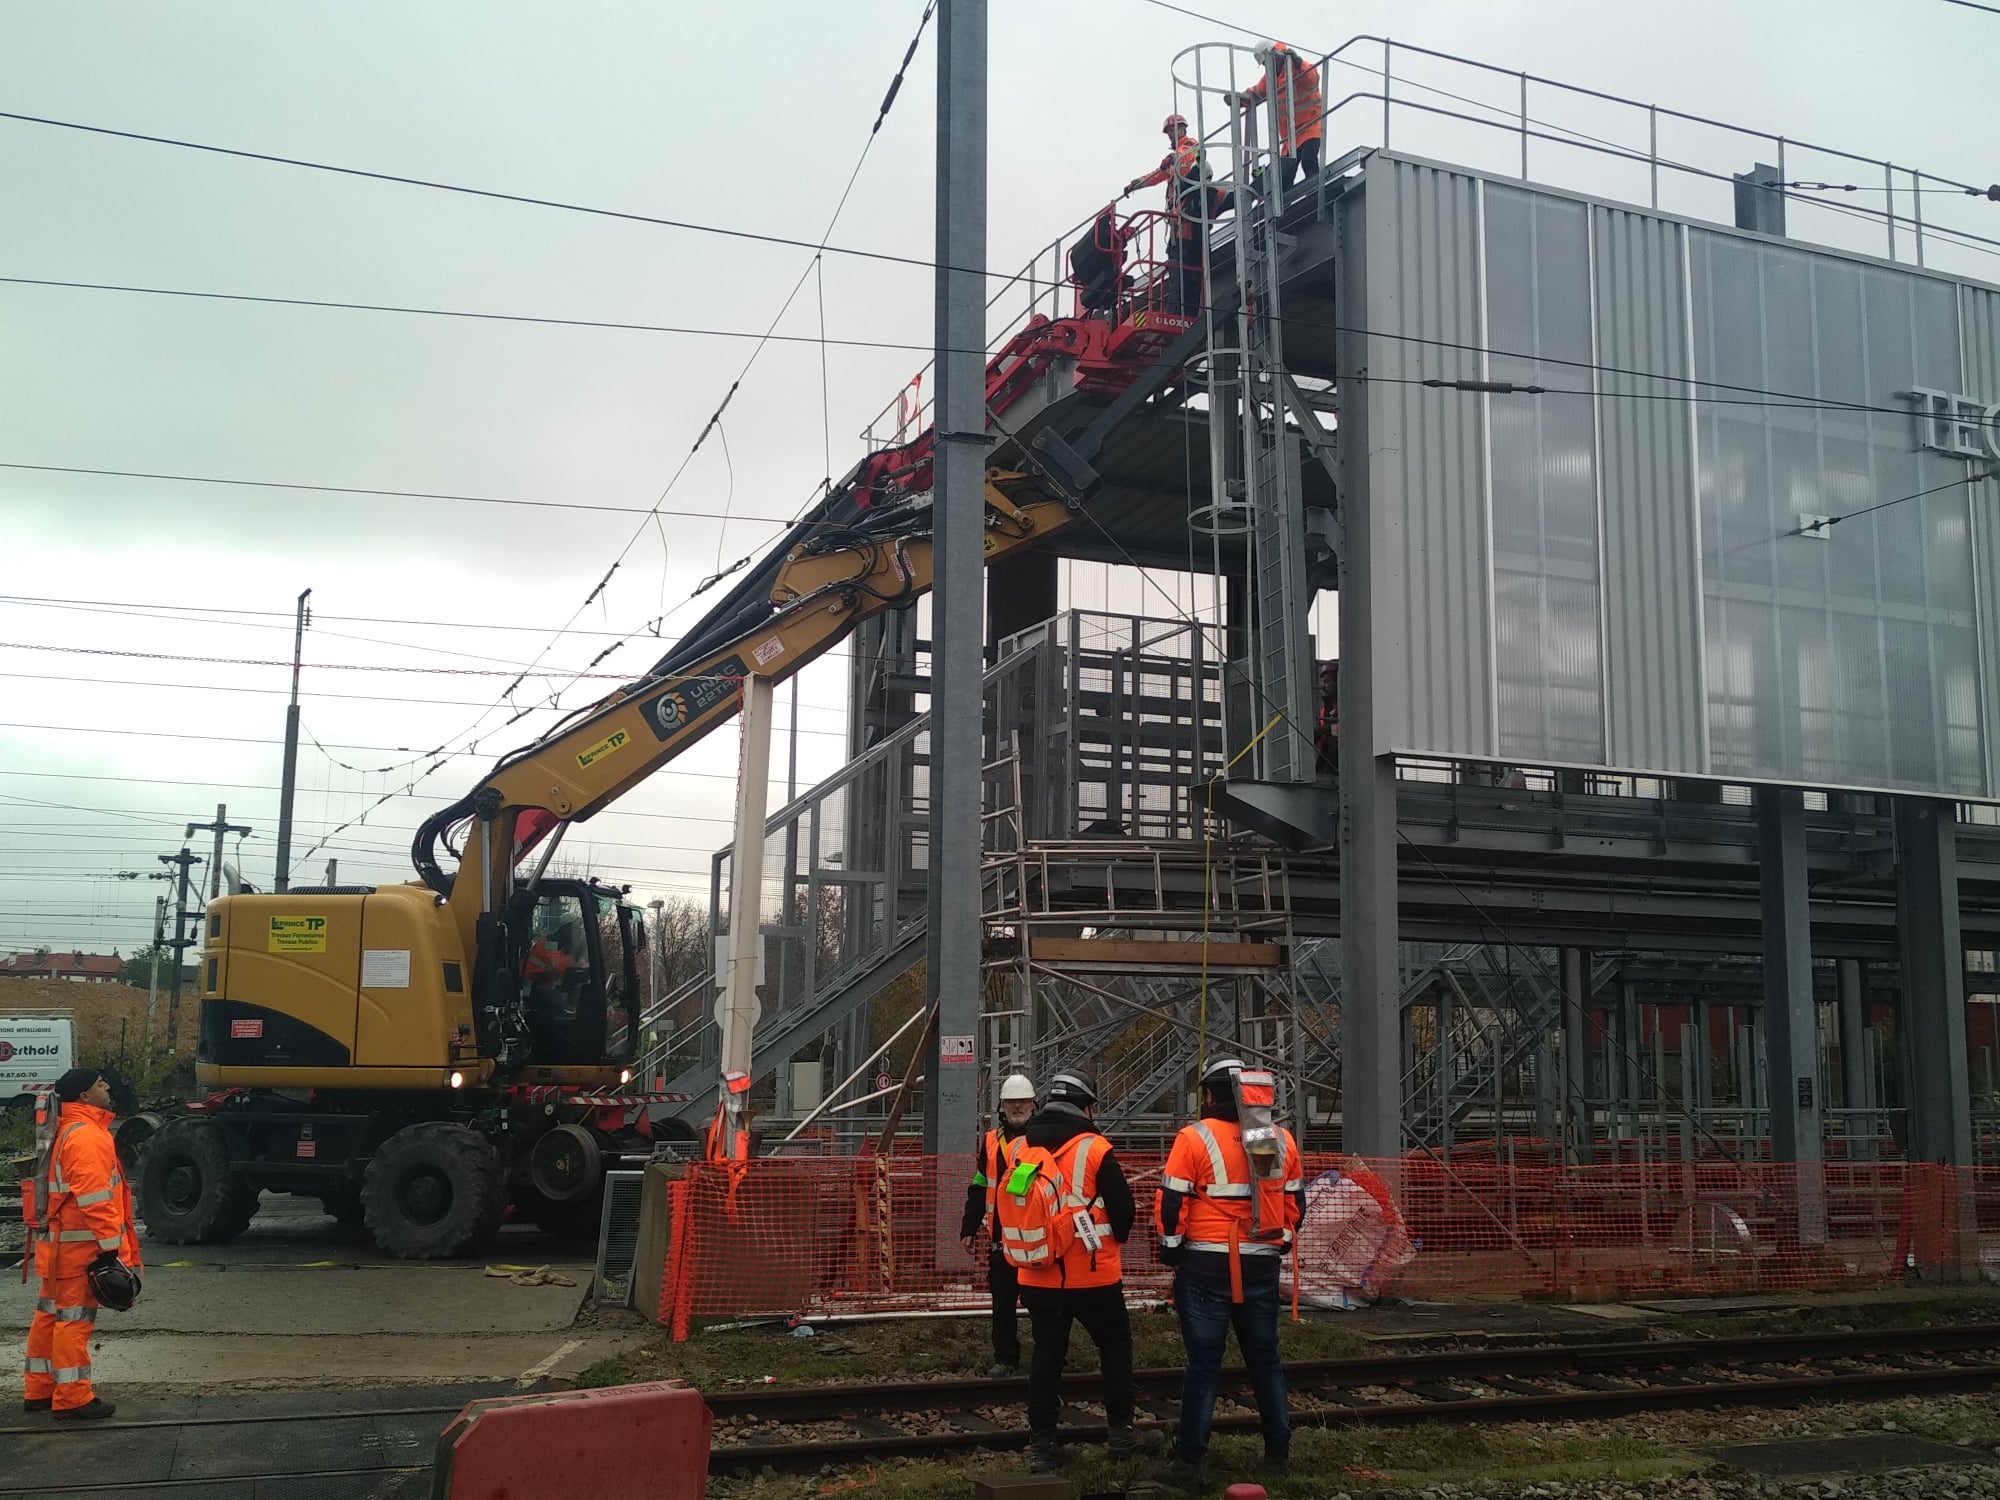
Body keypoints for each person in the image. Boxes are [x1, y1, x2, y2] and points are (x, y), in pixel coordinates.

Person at [1156, 1057, 1305, 1490]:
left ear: (1209, 1094)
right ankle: (1277, 1455)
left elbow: (1172, 1202)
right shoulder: (1276, 1138)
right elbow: (1295, 1204)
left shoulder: (1194, 1137)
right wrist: (1280, 1243)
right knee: (1265, 1361)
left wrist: (1171, 1250)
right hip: (1261, 1263)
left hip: (1206, 1264)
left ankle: (1189, 1462)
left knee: (1203, 1366)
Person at [1002, 1070, 1157, 1472]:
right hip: (1093, 1275)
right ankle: (1121, 1433)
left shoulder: (1020, 1147)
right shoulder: (1095, 1147)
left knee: (1047, 1357)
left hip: (1037, 1274)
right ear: (1086, 1107)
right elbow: (1123, 1210)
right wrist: (1111, 1239)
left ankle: (1042, 1447)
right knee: (1115, 1347)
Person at [23, 1067, 142, 1421]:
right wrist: (112, 1250)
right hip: (81, 1251)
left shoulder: (66, 1130)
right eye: (101, 1085)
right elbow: (96, 1200)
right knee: (73, 1321)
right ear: (85, 1096)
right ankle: (73, 1397)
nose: (108, 1089)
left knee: (49, 1316)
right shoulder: (88, 1136)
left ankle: (40, 1390)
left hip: (59, 1247)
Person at [958, 1072, 1037, 1377]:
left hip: (1038, 1239)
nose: (1017, 1106)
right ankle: (1005, 1358)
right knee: (1002, 1301)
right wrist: (969, 1226)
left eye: (1023, 1101)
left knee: (1041, 1303)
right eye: (1011, 1101)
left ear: (1033, 1104)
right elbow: (980, 1184)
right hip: (1001, 1239)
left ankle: (1049, 1357)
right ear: (1002, 1106)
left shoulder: (1044, 1137)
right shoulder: (991, 1141)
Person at [1125, 114, 1222, 316]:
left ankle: (1178, 311)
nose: (1171, 134)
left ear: (1183, 128)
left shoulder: (1190, 146)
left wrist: (1172, 158)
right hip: (1180, 218)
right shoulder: (1174, 160)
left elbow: (1188, 153)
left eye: (1174, 129)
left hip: (1189, 216)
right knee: (1182, 266)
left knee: (1182, 264)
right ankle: (1181, 311)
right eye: (1169, 131)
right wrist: (1136, 184)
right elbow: (1155, 176)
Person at [1237, 41, 1324, 192]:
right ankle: (1287, 204)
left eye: (1267, 62)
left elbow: (1312, 79)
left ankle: (1317, 194)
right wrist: (1237, 99)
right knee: (1285, 176)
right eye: (1264, 64)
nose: (1267, 66)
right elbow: (1256, 93)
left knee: (1308, 160)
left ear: (1274, 55)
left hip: (1310, 127)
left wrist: (1298, 61)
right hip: (1290, 138)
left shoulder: (1295, 67)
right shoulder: (1270, 78)